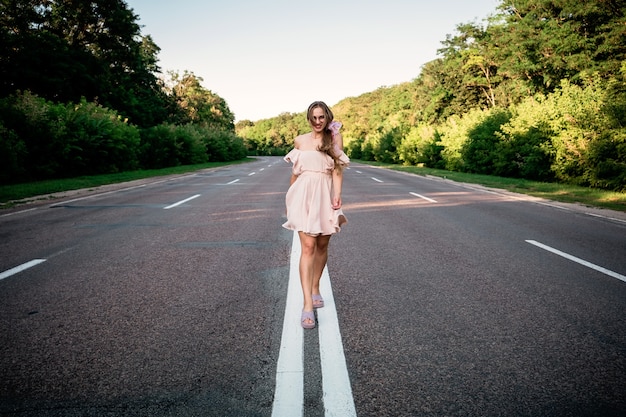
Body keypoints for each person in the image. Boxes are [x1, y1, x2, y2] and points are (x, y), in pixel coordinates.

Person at [282, 101, 349, 329]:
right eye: (314, 117)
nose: (318, 122)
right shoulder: (300, 141)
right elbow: (295, 172)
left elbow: (337, 170)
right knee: (308, 247)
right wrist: (288, 200)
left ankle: (316, 286)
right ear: (308, 119)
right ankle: (307, 305)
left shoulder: (334, 139)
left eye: (322, 117)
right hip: (302, 195)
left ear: (327, 117)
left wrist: (337, 195)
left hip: (325, 194)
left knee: (322, 246)